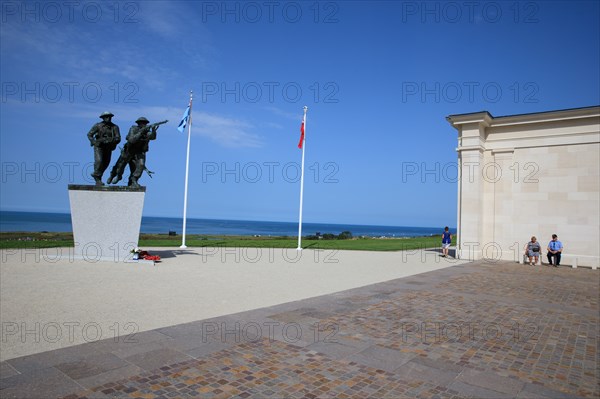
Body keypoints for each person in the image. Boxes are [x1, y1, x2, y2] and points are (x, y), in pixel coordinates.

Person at [107, 117, 158, 188]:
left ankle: (134, 179)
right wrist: (141, 132)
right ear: (138, 123)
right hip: (128, 151)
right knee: (120, 166)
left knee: (141, 164)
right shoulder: (133, 129)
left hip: (139, 152)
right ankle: (116, 175)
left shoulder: (147, 131)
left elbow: (152, 137)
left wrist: (153, 131)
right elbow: (131, 140)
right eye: (142, 123)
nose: (144, 124)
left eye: (145, 123)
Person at [87, 111, 121, 185]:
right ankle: (97, 178)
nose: (108, 118)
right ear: (103, 118)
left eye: (109, 117)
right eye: (106, 117)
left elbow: (118, 138)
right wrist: (94, 142)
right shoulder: (98, 126)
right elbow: (89, 134)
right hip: (99, 146)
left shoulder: (115, 127)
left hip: (108, 147)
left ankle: (96, 174)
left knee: (106, 163)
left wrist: (111, 141)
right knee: (99, 161)